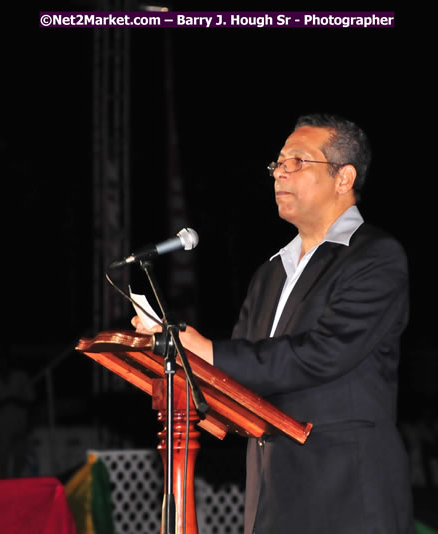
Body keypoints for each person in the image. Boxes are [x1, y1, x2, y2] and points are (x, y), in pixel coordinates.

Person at [134, 113, 413, 533]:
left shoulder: (375, 256)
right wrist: (175, 356)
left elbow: (324, 353)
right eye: (277, 164)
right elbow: (243, 373)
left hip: (347, 491)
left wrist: (209, 351)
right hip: (271, 491)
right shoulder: (271, 272)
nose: (280, 173)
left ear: (344, 177)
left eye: (297, 162)